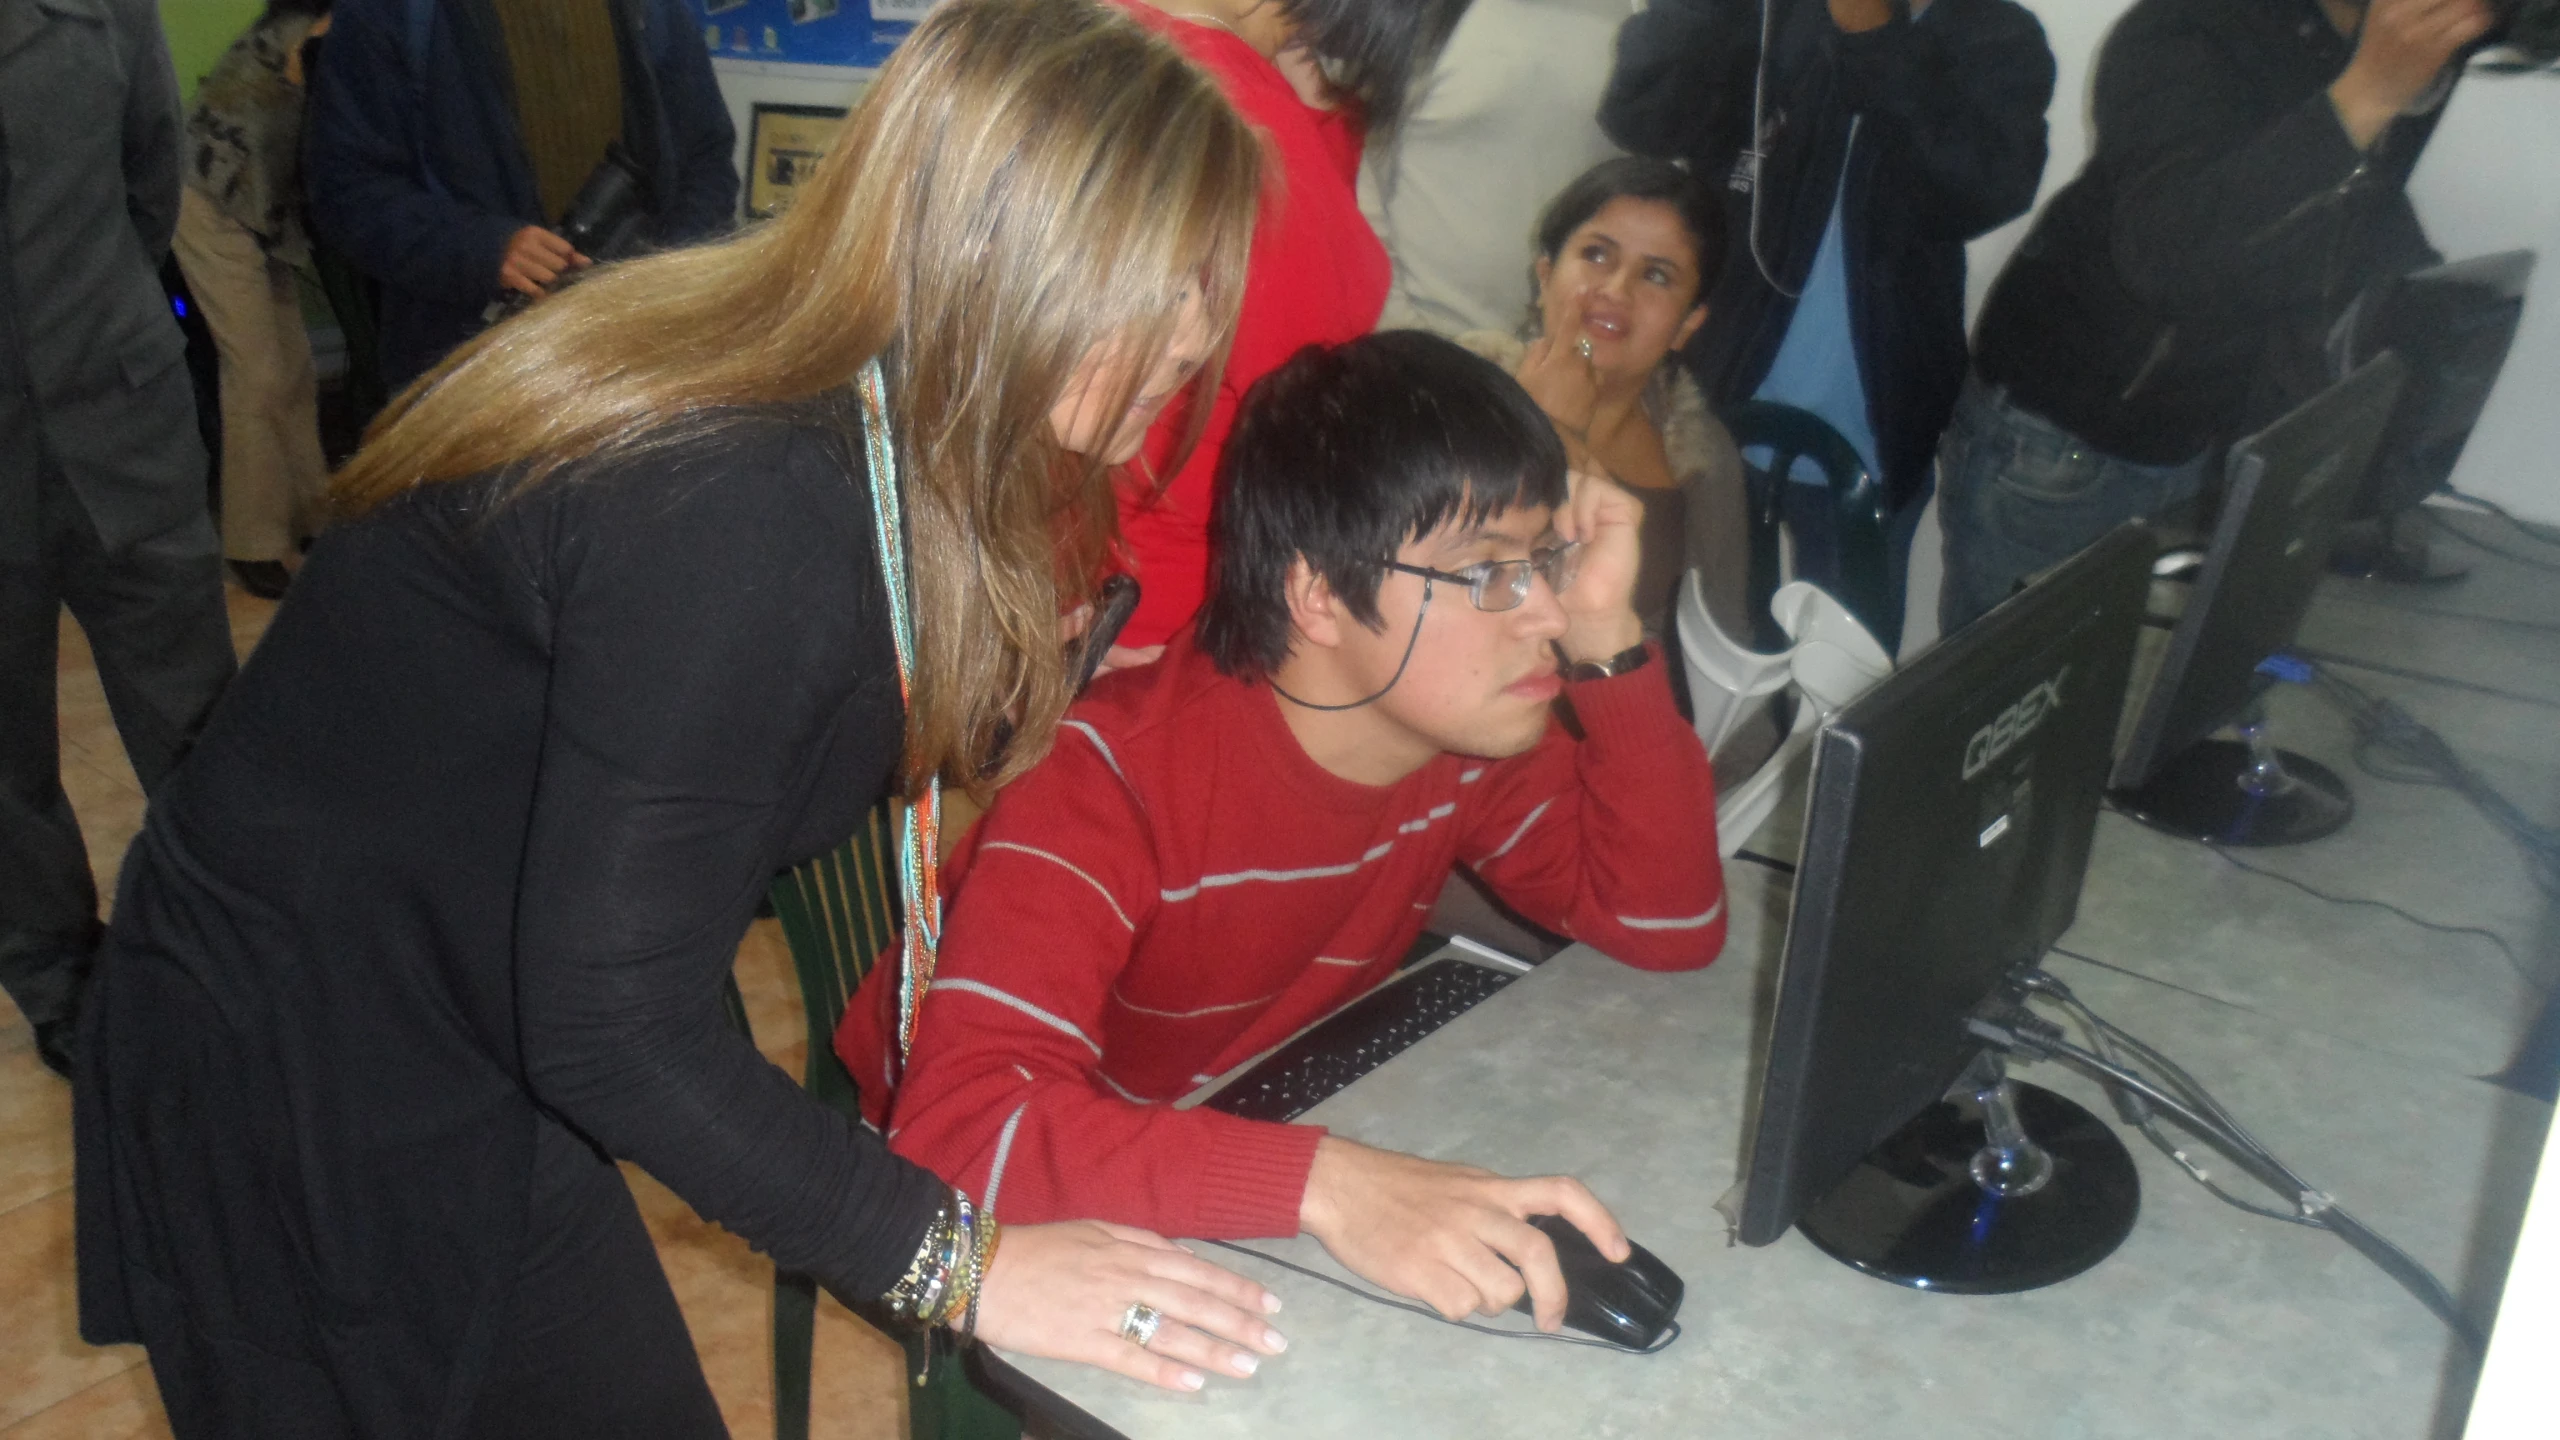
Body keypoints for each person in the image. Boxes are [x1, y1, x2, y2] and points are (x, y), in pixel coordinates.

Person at [75, 5, 1292, 1434]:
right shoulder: (746, 494)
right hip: (300, 1070)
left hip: (465, 1007)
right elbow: (610, 1025)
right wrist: (962, 1265)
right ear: (989, 255)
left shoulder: (886, 416)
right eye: (1160, 284)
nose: (1195, 335)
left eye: (1207, 279)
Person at [843, 332, 1727, 1333]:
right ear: (1316, 597)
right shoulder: (1106, 783)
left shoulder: (1458, 736)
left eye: (1545, 561)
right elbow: (955, 1134)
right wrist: (1332, 1185)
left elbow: (1665, 924)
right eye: (1487, 574)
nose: (1547, 612)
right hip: (982, 1165)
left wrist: (1613, 640)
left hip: (1236, 1111)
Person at [1940, 0, 2492, 631]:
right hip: (2071, 443)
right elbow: (2172, 257)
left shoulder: (2384, 35)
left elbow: (2338, 210)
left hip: (2211, 433)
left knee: (2157, 702)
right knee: (2012, 708)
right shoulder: (2188, 30)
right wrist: (2365, 96)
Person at [1599, 0, 2054, 643]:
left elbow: (1977, 191)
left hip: (1871, 427)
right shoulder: (1770, 16)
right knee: (1695, 649)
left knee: (1840, 678)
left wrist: (1871, 35)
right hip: (1713, 406)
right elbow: (1640, 115)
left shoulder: (1992, 33)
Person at [1, 0, 239, 1082]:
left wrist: (96, 327)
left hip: (118, 421)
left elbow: (152, 183)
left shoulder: (98, 7)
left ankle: (235, 951)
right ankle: (58, 978)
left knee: (198, 720)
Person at [1108, 0, 1471, 656]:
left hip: (1093, 569)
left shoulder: (1100, 37)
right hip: (1165, 615)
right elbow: (1306, 415)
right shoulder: (1240, 119)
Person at [302, 0, 739, 390]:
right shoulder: (394, 11)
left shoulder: (655, 9)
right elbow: (348, 187)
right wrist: (485, 250)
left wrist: (669, 270)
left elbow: (705, 157)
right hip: (472, 364)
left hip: (632, 352)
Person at [1457, 156, 1748, 639]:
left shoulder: (1705, 455)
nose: (1616, 289)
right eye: (1596, 254)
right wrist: (1548, 429)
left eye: (1656, 276)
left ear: (1688, 325)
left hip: (1625, 699)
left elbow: (1726, 639)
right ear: (1545, 277)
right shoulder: (1451, 393)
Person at [173, 0, 336, 602]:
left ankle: (315, 518)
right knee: (258, 372)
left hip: (256, 206)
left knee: (293, 367)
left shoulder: (312, 18)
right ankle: (254, 545)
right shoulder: (321, 31)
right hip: (213, 199)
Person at [1360, 0, 1631, 338]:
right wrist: (1400, 332)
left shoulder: (1648, 20)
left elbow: (1655, 204)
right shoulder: (1403, 14)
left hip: (1574, 360)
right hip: (1421, 352)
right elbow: (1353, 179)